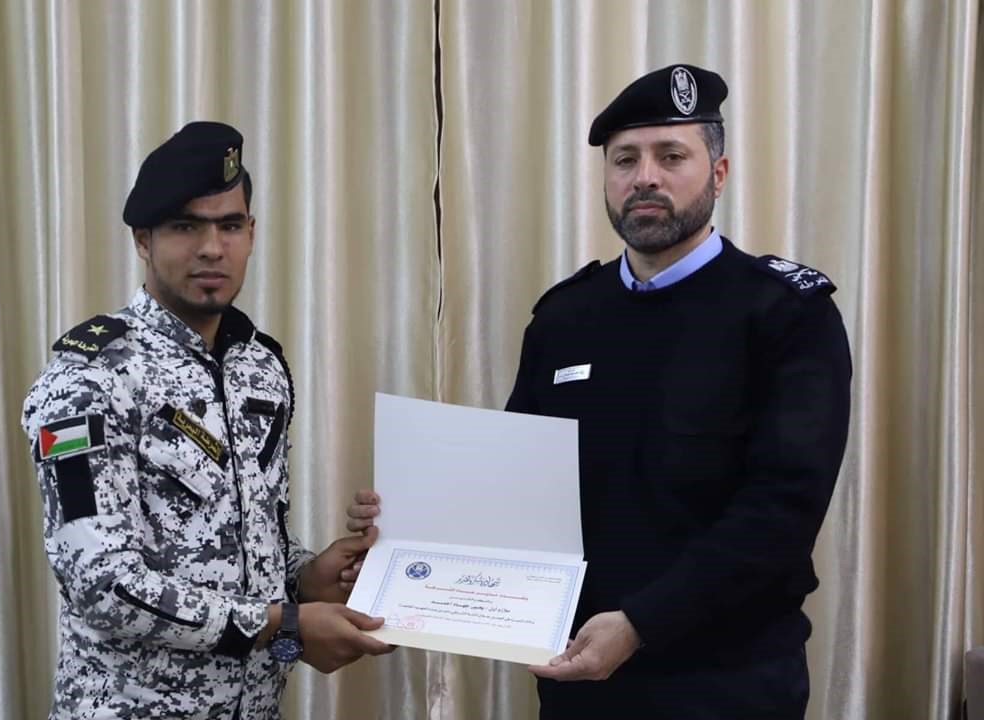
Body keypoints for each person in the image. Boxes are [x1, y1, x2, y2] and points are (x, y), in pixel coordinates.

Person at [345, 64, 852, 719]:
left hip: (729, 685)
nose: (645, 177)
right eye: (625, 159)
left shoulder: (785, 314)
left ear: (719, 173)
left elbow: (781, 514)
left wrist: (641, 623)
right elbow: (512, 490)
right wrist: (408, 532)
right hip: (579, 683)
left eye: (672, 156)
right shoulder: (566, 318)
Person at [22, 121, 391, 720]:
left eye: (230, 225)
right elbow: (102, 584)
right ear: (143, 240)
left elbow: (248, 544)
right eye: (185, 226)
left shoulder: (261, 366)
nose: (212, 248)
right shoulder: (89, 377)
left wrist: (307, 576)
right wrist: (286, 624)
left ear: (252, 232)